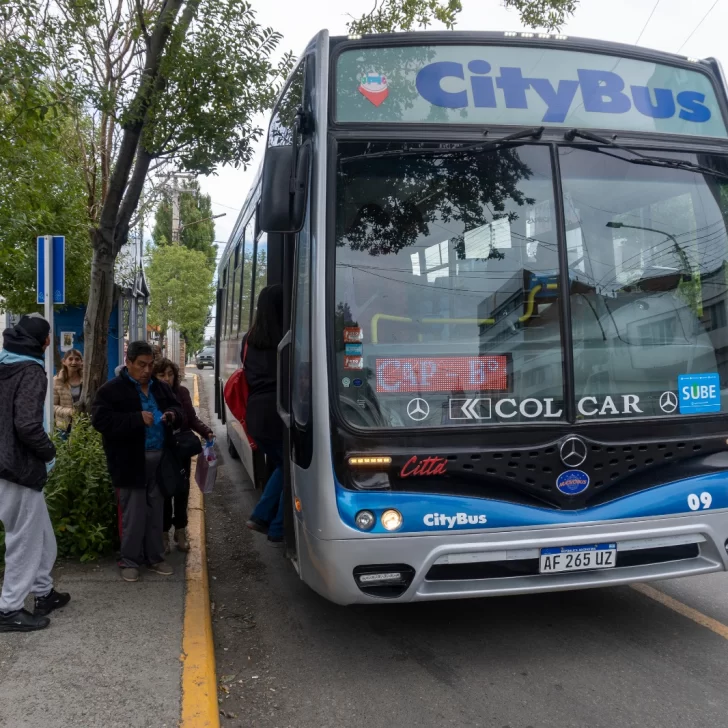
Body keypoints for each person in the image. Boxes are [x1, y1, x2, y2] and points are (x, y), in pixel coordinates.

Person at [0, 313, 71, 632]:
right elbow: (28, 425)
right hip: (20, 468)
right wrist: (49, 452)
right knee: (24, 541)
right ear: (44, 343)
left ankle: (43, 592)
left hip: (6, 465)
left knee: (42, 536)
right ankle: (9, 609)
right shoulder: (30, 370)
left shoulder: (3, 364)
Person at [91, 341, 184, 582]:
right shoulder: (111, 391)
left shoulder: (159, 388)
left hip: (160, 460)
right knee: (133, 514)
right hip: (129, 461)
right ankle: (129, 560)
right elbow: (101, 422)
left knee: (156, 513)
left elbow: (178, 407)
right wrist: (135, 419)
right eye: (141, 365)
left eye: (150, 365)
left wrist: (173, 415)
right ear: (129, 362)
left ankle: (155, 557)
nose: (146, 370)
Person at [154, 358, 214, 553]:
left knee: (182, 490)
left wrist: (206, 432)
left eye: (170, 374)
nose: (166, 379)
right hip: (162, 451)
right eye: (162, 375)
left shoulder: (182, 392)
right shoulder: (151, 394)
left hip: (181, 450)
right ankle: (163, 534)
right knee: (164, 493)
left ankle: (180, 531)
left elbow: (191, 418)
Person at [244, 285, 286, 545]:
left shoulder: (250, 339)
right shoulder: (285, 338)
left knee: (283, 464)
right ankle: (277, 527)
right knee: (291, 466)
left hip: (256, 413)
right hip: (276, 412)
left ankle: (262, 518)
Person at [54, 348, 83, 431]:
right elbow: (52, 406)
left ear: (81, 362)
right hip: (64, 427)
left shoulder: (87, 380)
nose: (74, 362)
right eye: (70, 359)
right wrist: (69, 412)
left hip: (84, 424)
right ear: (64, 361)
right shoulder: (57, 381)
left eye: (77, 359)